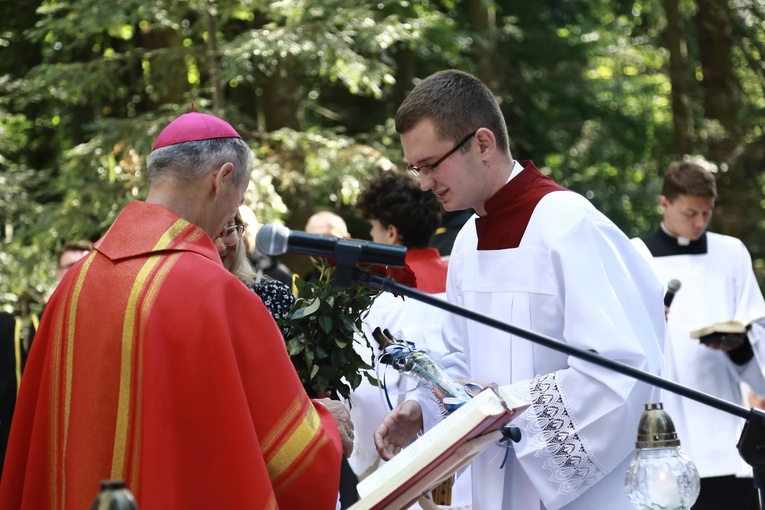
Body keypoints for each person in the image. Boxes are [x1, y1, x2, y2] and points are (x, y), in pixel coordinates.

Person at [0, 110, 353, 509]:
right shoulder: (217, 293)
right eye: (239, 196)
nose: (230, 221)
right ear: (220, 180)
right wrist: (327, 425)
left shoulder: (73, 286)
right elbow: (293, 462)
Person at [372, 70, 665, 510]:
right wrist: (422, 409)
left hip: (581, 496)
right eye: (416, 168)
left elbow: (623, 372)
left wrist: (504, 406)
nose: (423, 183)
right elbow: (457, 361)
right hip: (495, 487)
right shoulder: (467, 240)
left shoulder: (568, 224)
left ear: (484, 143)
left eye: (431, 165)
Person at [631, 161, 765, 510]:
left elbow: (758, 333)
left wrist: (739, 348)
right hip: (664, 427)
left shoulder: (731, 253)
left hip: (723, 424)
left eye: (706, 213)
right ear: (664, 203)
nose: (699, 222)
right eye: (690, 212)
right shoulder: (636, 254)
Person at [350, 171, 472, 508]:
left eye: (373, 230)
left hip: (402, 452)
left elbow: (367, 391)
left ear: (390, 233)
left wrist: (361, 450)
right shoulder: (463, 278)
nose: (370, 237)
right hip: (466, 448)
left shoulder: (378, 297)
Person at [0, 240, 93, 479]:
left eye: (84, 263)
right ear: (57, 272)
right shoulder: (34, 327)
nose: (78, 270)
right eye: (70, 265)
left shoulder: (115, 322)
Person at [302, 211, 351, 283]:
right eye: (314, 243)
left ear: (348, 240)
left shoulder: (369, 287)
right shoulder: (299, 288)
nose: (323, 250)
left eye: (331, 240)